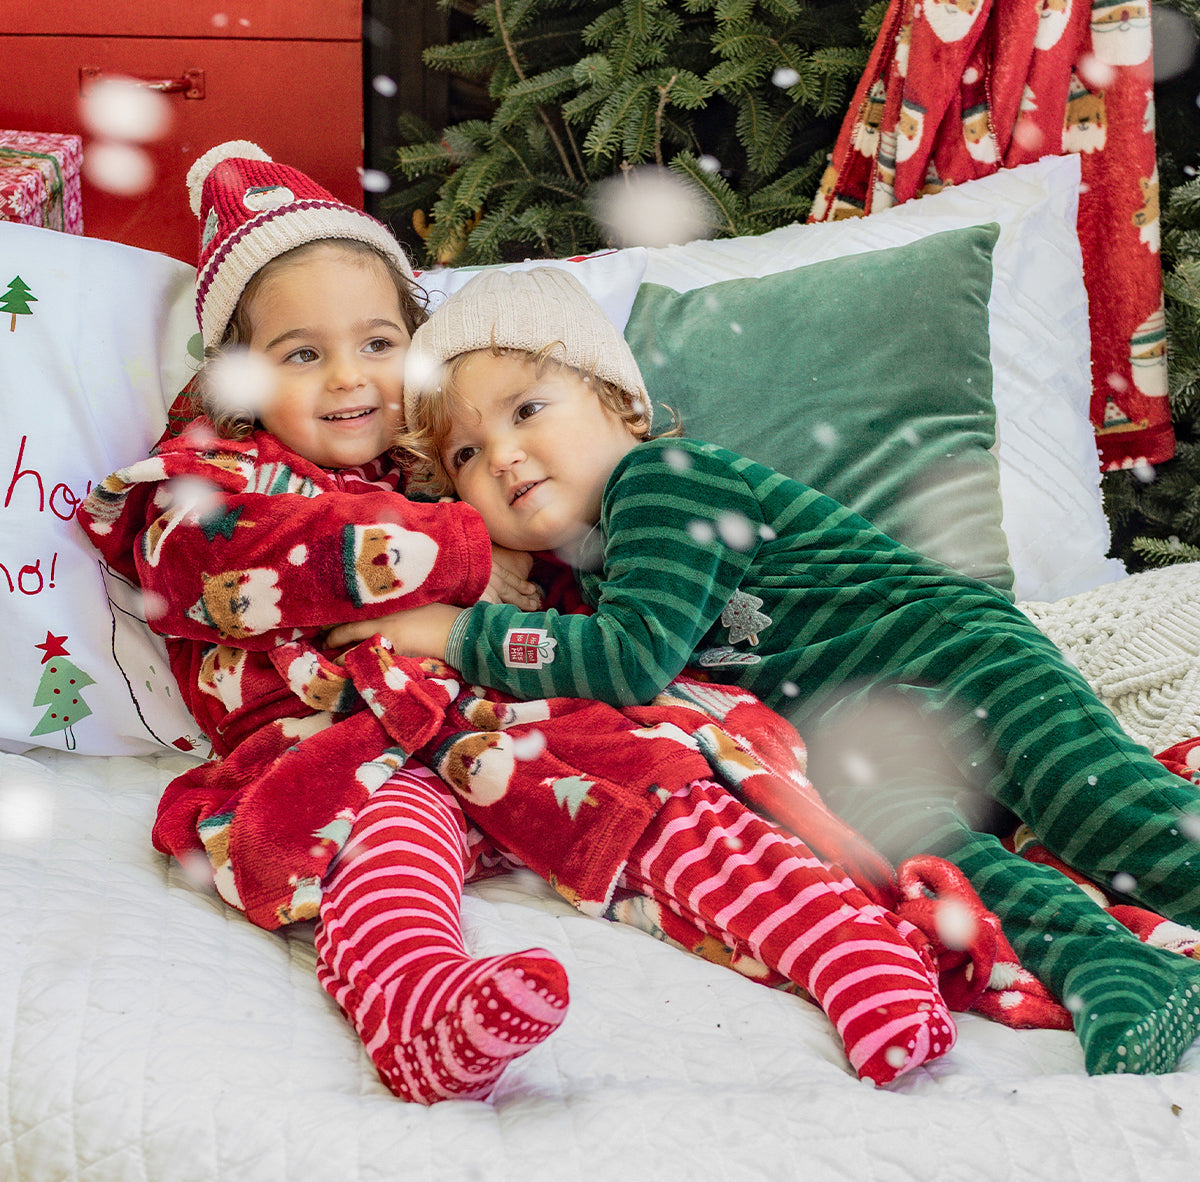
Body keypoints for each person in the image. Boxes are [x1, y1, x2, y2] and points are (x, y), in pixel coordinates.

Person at [79, 145, 962, 1099]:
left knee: (658, 788)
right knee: (385, 852)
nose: (351, 378)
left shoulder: (446, 463)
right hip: (337, 748)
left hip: (497, 723)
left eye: (378, 343)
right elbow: (215, 561)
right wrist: (455, 549)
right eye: (303, 354)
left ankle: (851, 949)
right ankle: (423, 1011)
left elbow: (566, 599)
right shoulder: (216, 481)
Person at [355, 264, 1200, 1077]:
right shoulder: (585, 573)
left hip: (953, 659)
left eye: (528, 409)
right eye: (465, 454)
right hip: (857, 743)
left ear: (620, 405)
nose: (502, 455)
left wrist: (454, 628)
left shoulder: (664, 481)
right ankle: (1112, 968)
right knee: (939, 869)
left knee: (1109, 810)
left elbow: (630, 659)